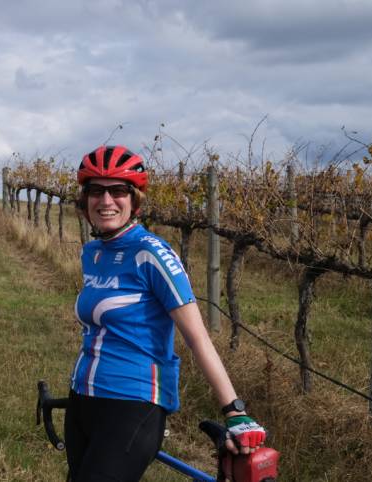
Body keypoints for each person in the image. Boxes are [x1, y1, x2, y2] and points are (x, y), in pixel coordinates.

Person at [64, 145, 266, 481]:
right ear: (85, 200)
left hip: (133, 401)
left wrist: (233, 410)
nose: (106, 200)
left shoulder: (152, 254)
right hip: (83, 396)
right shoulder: (93, 252)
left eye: (118, 191)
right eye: (96, 191)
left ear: (134, 199)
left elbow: (197, 338)